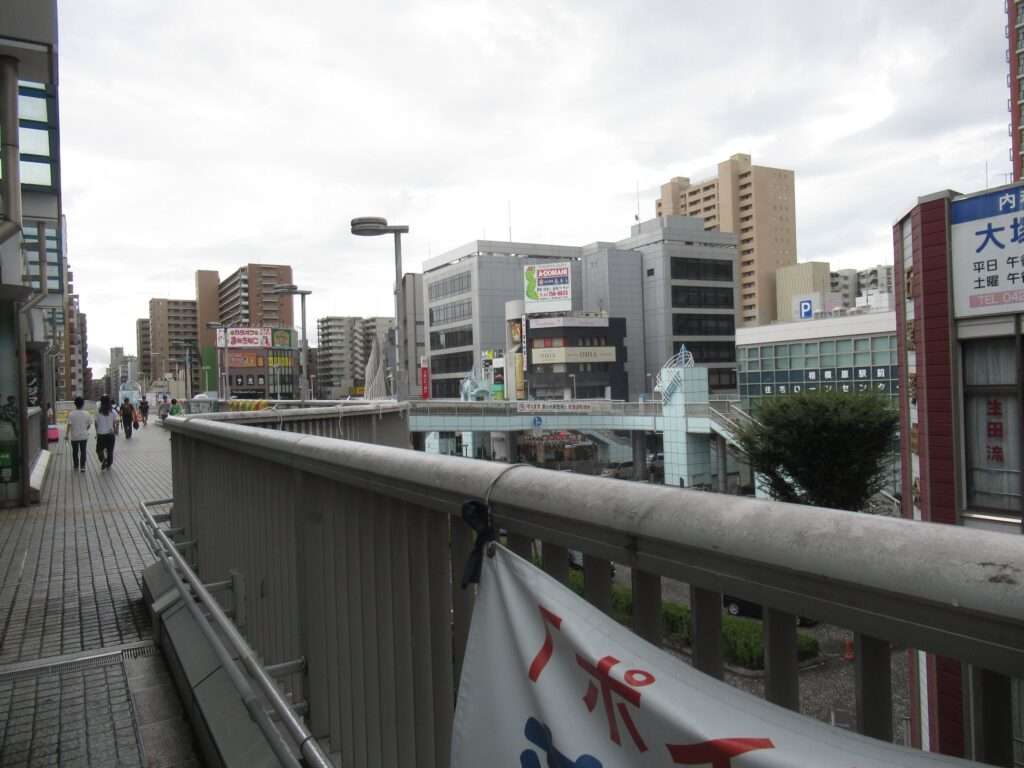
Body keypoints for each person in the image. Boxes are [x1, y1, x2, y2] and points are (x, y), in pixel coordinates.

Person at [65, 396, 91, 473]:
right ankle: (82, 467)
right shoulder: (87, 413)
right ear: (83, 404)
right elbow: (89, 425)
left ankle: (76, 465)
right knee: (83, 451)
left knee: (75, 451)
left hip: (74, 436)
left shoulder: (71, 414)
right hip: (84, 436)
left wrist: (66, 435)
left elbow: (69, 425)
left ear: (75, 404)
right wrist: (85, 429)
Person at [95, 395, 117, 469]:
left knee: (99, 450)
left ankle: (103, 460)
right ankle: (108, 464)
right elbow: (114, 422)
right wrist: (114, 431)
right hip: (110, 434)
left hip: (101, 434)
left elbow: (96, 423)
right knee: (110, 451)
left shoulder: (98, 411)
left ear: (101, 402)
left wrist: (97, 432)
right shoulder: (112, 411)